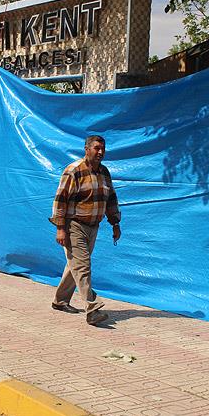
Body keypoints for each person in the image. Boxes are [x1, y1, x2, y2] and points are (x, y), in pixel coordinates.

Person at [49, 135, 121, 326]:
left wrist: (115, 223)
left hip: (93, 227)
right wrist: (60, 229)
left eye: (103, 149)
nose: (100, 152)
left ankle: (60, 301)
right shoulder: (74, 171)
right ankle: (93, 308)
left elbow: (111, 199)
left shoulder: (104, 173)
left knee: (75, 266)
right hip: (74, 226)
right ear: (86, 149)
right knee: (82, 266)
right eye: (96, 148)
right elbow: (60, 200)